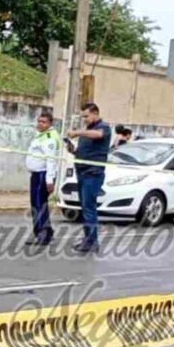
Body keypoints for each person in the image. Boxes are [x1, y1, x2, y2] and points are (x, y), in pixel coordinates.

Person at [66, 103, 111, 253]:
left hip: (93, 173)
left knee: (89, 209)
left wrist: (78, 132)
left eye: (86, 116)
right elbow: (83, 151)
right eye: (83, 117)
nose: (84, 119)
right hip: (82, 172)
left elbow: (98, 135)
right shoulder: (87, 132)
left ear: (95, 114)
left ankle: (92, 242)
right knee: (85, 208)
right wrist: (73, 150)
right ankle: (88, 239)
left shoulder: (103, 127)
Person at [25, 111, 59, 246]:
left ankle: (42, 234)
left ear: (50, 123)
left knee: (39, 205)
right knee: (36, 204)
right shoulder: (40, 136)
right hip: (36, 174)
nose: (40, 124)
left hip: (43, 175)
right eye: (39, 121)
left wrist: (49, 180)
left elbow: (51, 160)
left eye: (43, 122)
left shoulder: (50, 137)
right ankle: (45, 231)